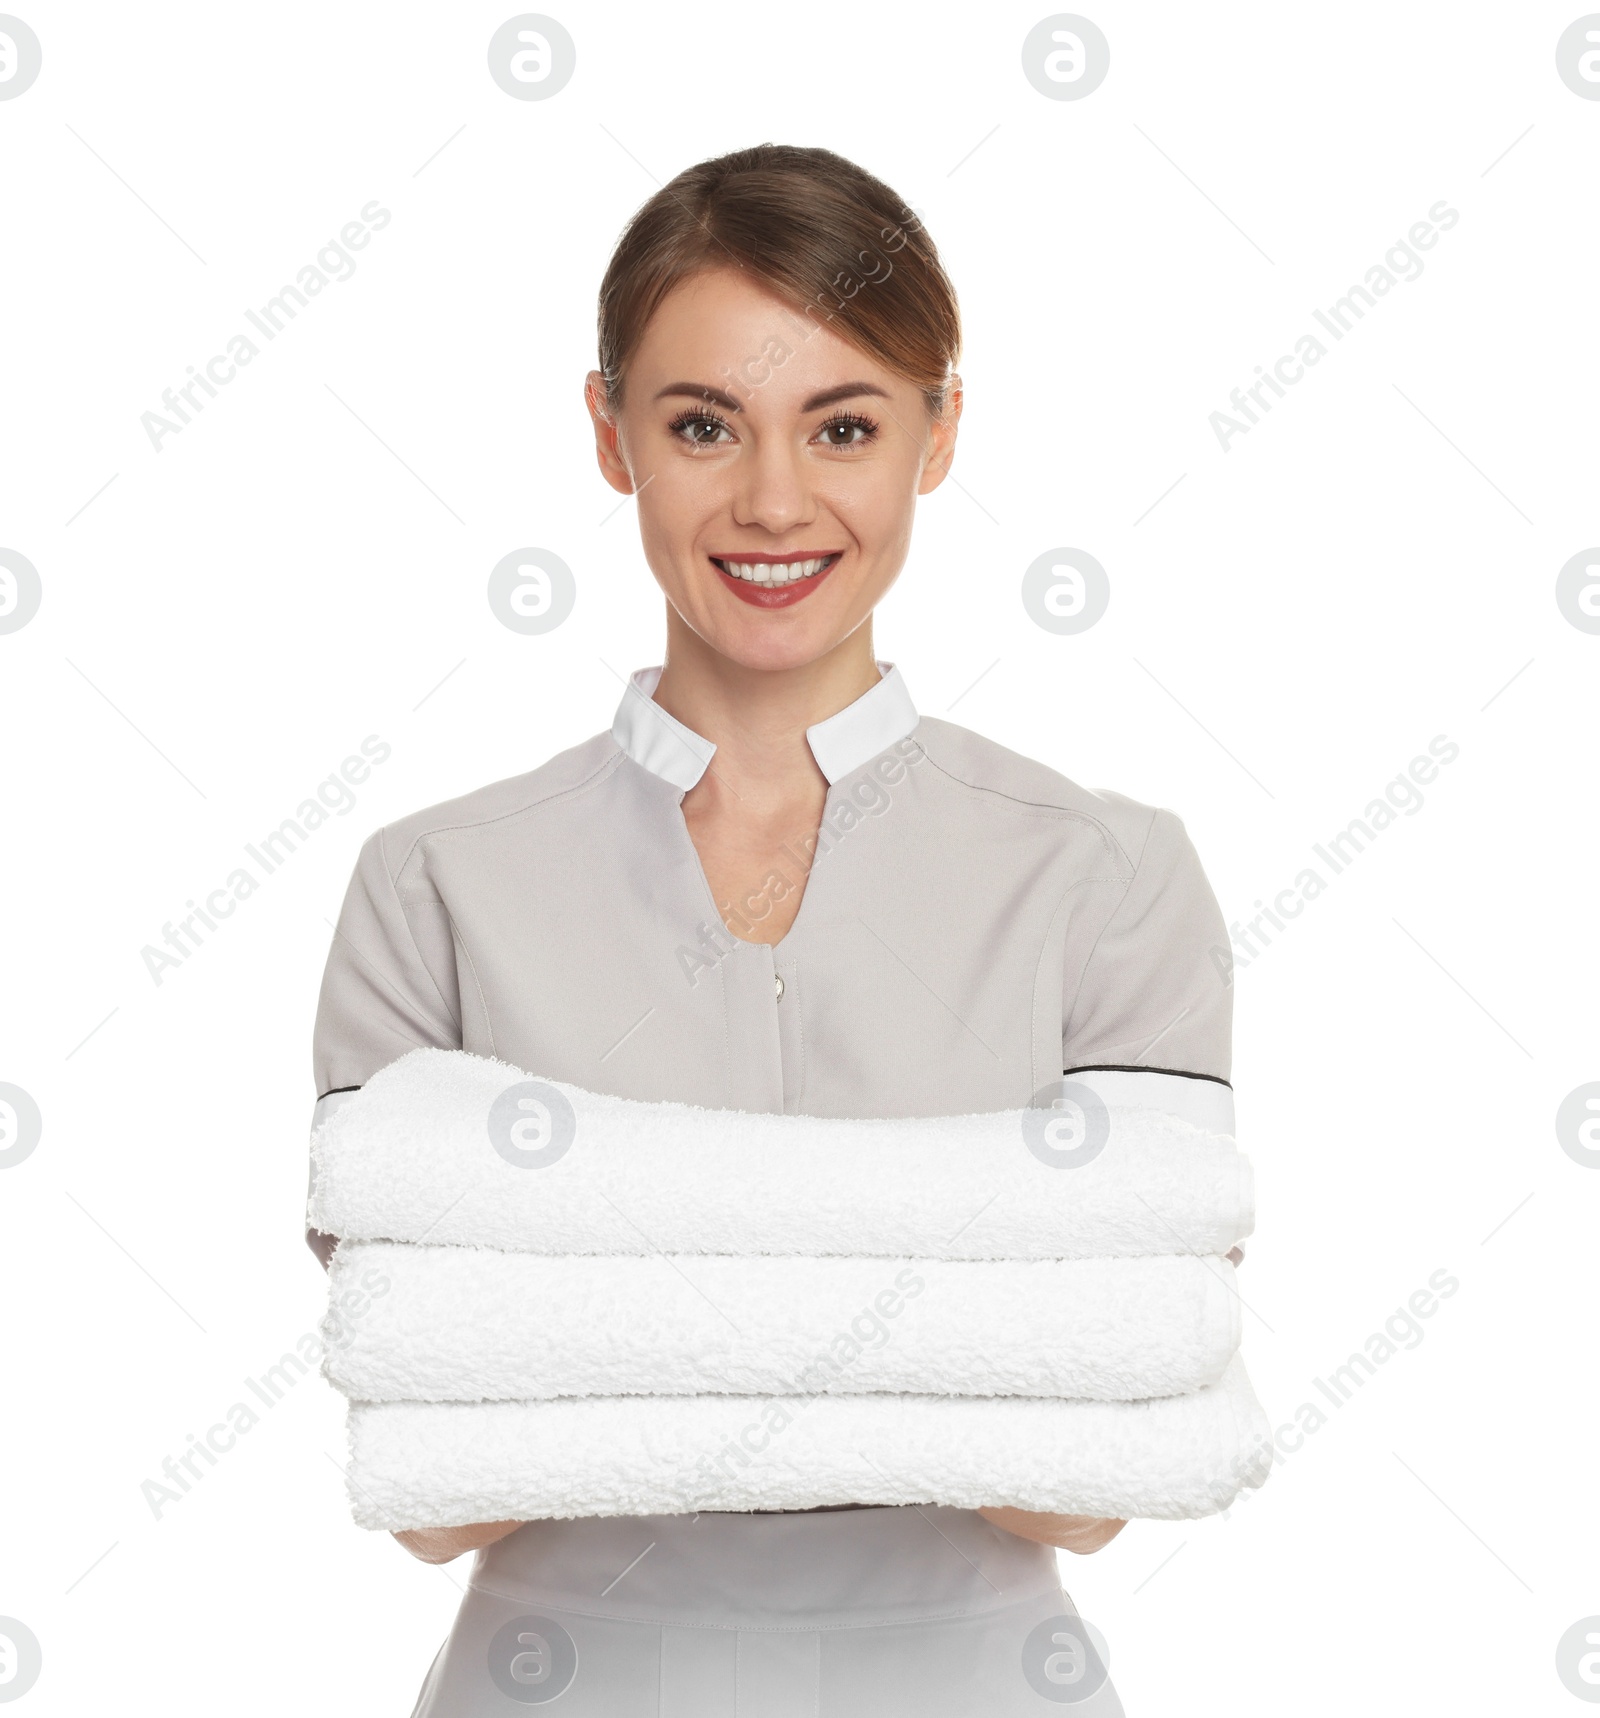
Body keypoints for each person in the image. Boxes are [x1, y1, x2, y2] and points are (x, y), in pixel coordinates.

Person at [309, 142, 1234, 1716]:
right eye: (702, 425)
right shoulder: (436, 884)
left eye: (846, 425)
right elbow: (434, 1485)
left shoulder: (1106, 876)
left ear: (941, 433)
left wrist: (613, 1328)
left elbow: (1094, 1475)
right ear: (610, 435)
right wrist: (930, 1326)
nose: (775, 502)